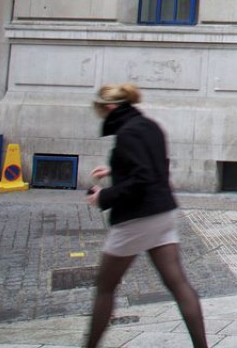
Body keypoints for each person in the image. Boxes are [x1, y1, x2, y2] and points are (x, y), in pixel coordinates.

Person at [84, 84, 206, 348]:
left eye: (100, 110)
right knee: (179, 285)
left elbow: (142, 178)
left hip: (136, 219)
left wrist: (103, 197)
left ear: (110, 107)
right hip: (163, 215)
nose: (101, 115)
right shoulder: (150, 126)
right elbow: (152, 164)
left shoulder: (128, 133)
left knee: (105, 287)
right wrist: (114, 169)